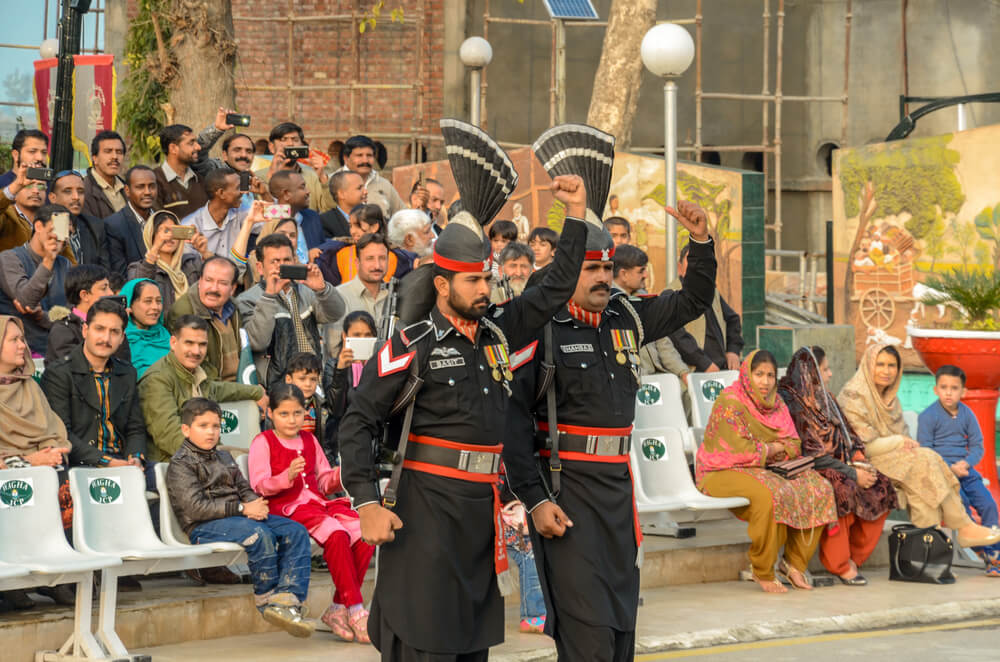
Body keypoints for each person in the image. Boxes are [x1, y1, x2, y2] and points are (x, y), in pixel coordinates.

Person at [338, 123, 589, 659]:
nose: (483, 289)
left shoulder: (498, 331)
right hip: (423, 507)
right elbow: (357, 420)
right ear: (442, 284)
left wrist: (575, 218)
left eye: (486, 278)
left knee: (472, 641)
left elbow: (557, 288)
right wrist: (364, 502)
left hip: (481, 508)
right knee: (423, 636)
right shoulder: (412, 343)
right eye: (472, 282)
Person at [502, 141, 717, 656]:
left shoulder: (629, 316)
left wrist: (702, 240)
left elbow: (692, 300)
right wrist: (534, 500)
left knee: (622, 621)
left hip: (620, 489)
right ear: (567, 272)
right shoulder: (541, 329)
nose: (602, 278)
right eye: (590, 269)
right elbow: (511, 422)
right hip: (566, 488)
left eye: (606, 268)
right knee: (586, 626)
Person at [165, 397, 314, 637]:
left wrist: (256, 504)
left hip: (238, 519)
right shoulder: (181, 464)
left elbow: (243, 488)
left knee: (295, 531)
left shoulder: (223, 457)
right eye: (203, 426)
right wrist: (244, 509)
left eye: (215, 426)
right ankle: (266, 600)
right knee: (259, 534)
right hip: (204, 527)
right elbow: (195, 508)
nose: (211, 432)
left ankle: (287, 600)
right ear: (186, 429)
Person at [696, 350, 838, 593]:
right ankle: (762, 570)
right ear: (747, 374)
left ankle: (793, 564)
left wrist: (776, 451)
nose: (765, 381)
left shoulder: (777, 403)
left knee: (819, 488)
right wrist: (772, 448)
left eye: (770, 375)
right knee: (771, 493)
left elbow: (793, 443)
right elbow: (738, 450)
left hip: (763, 469)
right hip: (719, 471)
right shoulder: (730, 402)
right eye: (758, 374)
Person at [838, 343, 1000, 550]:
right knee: (926, 459)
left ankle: (931, 557)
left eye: (892, 365)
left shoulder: (891, 400)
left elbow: (905, 438)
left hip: (895, 459)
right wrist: (899, 442)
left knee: (922, 484)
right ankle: (964, 527)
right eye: (880, 364)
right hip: (863, 462)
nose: (886, 371)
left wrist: (903, 444)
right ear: (868, 364)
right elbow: (863, 446)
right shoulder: (854, 395)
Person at [249, 383, 374, 643]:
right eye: (284, 414)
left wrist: (343, 473)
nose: (292, 420)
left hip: (318, 505)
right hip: (286, 509)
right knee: (337, 534)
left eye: (297, 413)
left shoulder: (309, 439)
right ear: (270, 413)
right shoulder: (263, 442)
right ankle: (355, 609)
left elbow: (325, 481)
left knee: (364, 532)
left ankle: (338, 608)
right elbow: (259, 485)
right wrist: (286, 477)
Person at [778, 346, 897, 585]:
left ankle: (854, 558)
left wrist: (859, 458)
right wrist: (852, 472)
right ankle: (838, 563)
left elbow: (848, 432)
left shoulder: (826, 398)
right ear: (810, 372)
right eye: (825, 369)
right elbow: (812, 453)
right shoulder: (793, 402)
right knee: (843, 488)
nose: (830, 374)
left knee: (881, 485)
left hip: (841, 463)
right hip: (811, 466)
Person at [0, 315, 73, 609]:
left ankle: (55, 574)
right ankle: (10, 579)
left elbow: (51, 428)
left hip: (39, 462)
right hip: (6, 468)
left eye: (23, 339)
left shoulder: (29, 385)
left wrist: (51, 450)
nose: (23, 345)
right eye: (14, 339)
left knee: (61, 476)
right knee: (19, 481)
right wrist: (30, 459)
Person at [41, 297, 150, 473]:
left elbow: (135, 427)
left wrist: (136, 457)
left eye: (114, 332)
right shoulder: (59, 373)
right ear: (85, 330)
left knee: (169, 475)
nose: (106, 338)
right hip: (82, 464)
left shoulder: (127, 372)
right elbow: (62, 434)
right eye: (99, 329)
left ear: (122, 337)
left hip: (124, 461)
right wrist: (107, 462)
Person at [139, 314, 265, 462]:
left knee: (258, 458)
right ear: (173, 343)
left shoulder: (197, 373)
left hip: (205, 458)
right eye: (189, 343)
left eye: (202, 344)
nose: (196, 351)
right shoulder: (157, 379)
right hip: (173, 464)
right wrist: (215, 460)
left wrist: (258, 392)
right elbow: (169, 436)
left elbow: (220, 389)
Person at [918, 364, 1000, 574]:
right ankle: (983, 549)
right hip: (942, 474)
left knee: (988, 504)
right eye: (943, 387)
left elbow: (977, 447)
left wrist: (966, 463)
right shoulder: (928, 416)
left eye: (954, 388)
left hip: (966, 472)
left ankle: (994, 553)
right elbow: (926, 452)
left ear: (963, 392)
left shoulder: (967, 414)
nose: (948, 392)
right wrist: (949, 469)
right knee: (960, 505)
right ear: (936, 389)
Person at [236, 233, 345, 389]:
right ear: (260, 268)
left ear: (294, 261)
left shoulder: (306, 290)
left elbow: (335, 313)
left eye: (286, 260)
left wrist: (322, 289)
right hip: (277, 387)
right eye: (275, 261)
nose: (281, 266)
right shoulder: (248, 299)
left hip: (313, 382)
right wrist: (269, 296)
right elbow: (257, 342)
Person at [0, 204, 73, 355]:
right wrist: (48, 260)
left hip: (60, 349)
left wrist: (43, 317)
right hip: (22, 350)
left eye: (67, 232)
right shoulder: (9, 258)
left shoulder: (65, 264)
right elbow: (25, 301)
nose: (62, 238)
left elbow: (73, 314)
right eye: (57, 230)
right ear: (39, 226)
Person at [167, 256, 245, 382]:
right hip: (212, 391)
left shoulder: (234, 308)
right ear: (200, 281)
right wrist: (246, 391)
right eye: (209, 280)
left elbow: (245, 353)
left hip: (240, 383)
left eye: (222, 283)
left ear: (233, 288)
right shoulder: (185, 312)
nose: (214, 288)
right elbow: (200, 373)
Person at [669, 243, 744, 372]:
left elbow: (733, 320)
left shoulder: (712, 292)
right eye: (691, 260)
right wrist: (704, 363)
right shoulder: (671, 295)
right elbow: (678, 337)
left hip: (722, 367)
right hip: (693, 371)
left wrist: (733, 350)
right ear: (680, 267)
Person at [180, 169, 260, 278]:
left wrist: (264, 194)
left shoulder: (240, 213)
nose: (244, 192)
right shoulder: (191, 225)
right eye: (238, 188)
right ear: (221, 193)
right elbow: (188, 271)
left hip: (236, 284)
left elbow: (277, 220)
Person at [322, 310, 376, 465]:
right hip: (342, 443)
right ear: (345, 336)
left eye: (368, 335)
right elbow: (335, 409)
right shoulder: (333, 365)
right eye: (356, 335)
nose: (362, 340)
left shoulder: (379, 366)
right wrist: (340, 370)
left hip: (371, 442)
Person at [326, 233, 390, 360]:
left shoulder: (395, 296)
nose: (377, 265)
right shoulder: (339, 296)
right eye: (370, 258)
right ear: (357, 263)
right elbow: (333, 352)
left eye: (382, 258)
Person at [128, 210, 207, 312]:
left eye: (174, 231)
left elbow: (217, 279)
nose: (170, 237)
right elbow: (137, 290)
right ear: (151, 235)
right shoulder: (138, 268)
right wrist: (154, 250)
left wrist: (205, 253)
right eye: (164, 231)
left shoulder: (192, 262)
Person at [255, 121, 335, 213]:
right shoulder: (258, 177)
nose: (290, 144)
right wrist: (271, 177)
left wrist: (322, 177)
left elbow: (330, 210)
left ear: (302, 145)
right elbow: (266, 212)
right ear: (272, 147)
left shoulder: (312, 174)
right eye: (283, 139)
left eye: (295, 140)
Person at [45, 264, 114, 365]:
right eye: (104, 288)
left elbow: (123, 366)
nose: (111, 293)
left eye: (109, 287)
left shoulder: (108, 322)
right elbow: (78, 369)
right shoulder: (63, 330)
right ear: (84, 295)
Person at [46, 170, 110, 270]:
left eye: (80, 192)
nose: (76, 197)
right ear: (52, 198)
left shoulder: (95, 226)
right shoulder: (42, 228)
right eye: (67, 191)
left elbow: (105, 270)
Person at [104, 165, 159, 277]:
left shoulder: (163, 220)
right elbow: (120, 274)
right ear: (127, 191)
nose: (147, 192)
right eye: (140, 187)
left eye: (152, 186)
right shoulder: (114, 226)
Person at [338, 135, 405, 217]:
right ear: (346, 158)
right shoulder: (332, 182)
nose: (365, 160)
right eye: (359, 155)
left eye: (369, 155)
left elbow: (402, 216)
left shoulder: (384, 184)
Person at [268, 170, 324, 263]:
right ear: (286, 194)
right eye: (302, 187)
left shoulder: (312, 217)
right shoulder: (268, 221)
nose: (308, 191)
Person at [154, 124, 208, 220]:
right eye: (191, 143)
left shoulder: (200, 180)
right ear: (173, 148)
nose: (198, 147)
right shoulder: (154, 181)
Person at [121, 278, 170, 379]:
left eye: (159, 301)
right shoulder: (120, 339)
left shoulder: (164, 334)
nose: (155, 307)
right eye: (148, 301)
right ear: (130, 304)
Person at [82, 130, 128, 220]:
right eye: (108, 151)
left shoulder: (127, 188)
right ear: (95, 158)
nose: (114, 157)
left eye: (119, 152)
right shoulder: (84, 190)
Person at [0, 165, 47, 253]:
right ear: (15, 195)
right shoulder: (5, 216)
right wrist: (15, 186)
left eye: (41, 186)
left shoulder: (52, 220)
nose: (36, 191)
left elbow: (70, 262)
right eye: (28, 185)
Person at [282, 352, 327, 443]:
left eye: (313, 379)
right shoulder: (279, 406)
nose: (308, 384)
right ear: (288, 380)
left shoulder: (321, 406)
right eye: (302, 379)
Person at [320, 170, 366, 240]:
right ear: (341, 194)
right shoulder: (325, 221)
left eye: (364, 187)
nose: (365, 191)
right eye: (359, 188)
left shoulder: (374, 215)